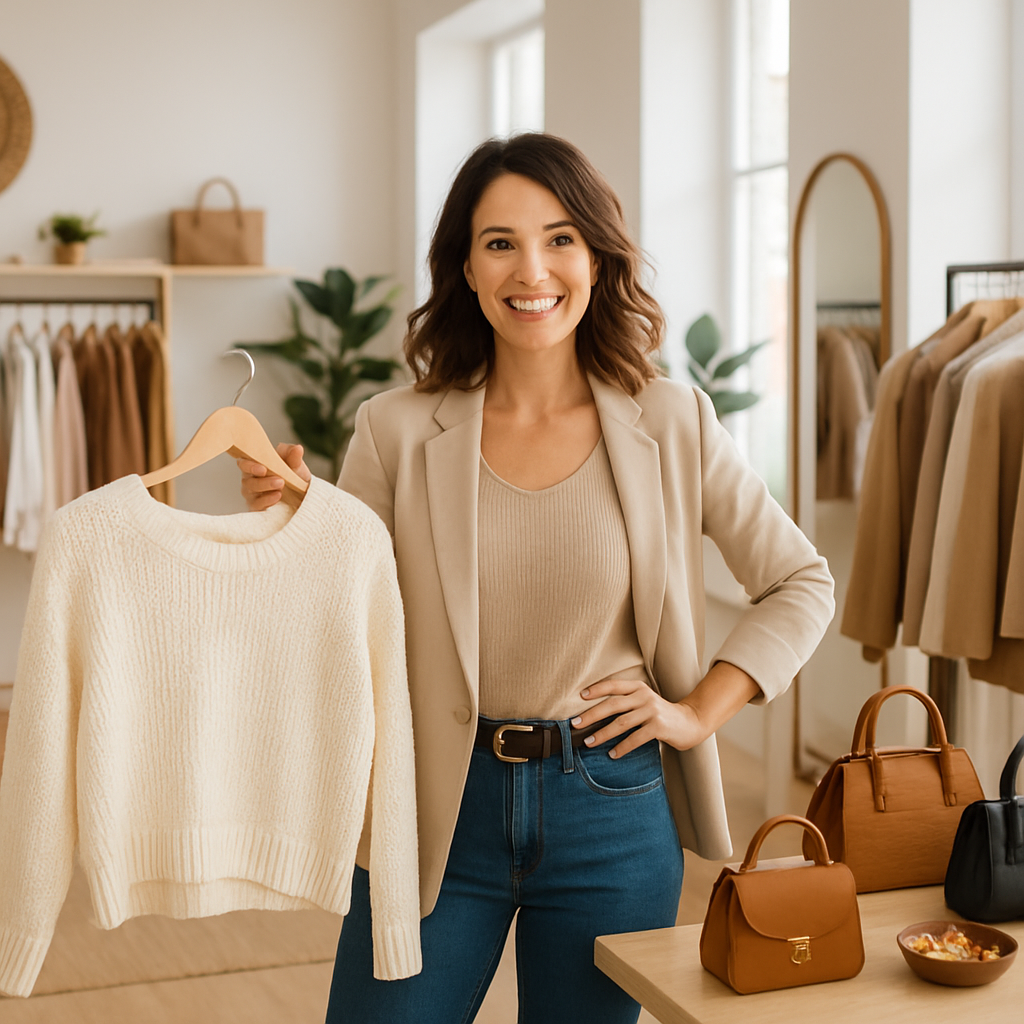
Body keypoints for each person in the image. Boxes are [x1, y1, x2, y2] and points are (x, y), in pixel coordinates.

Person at [239, 132, 834, 1024]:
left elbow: (800, 579)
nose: (533, 270)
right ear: (467, 268)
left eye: (560, 238)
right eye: (501, 242)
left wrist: (699, 709)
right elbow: (334, 609)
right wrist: (286, 521)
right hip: (438, 806)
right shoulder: (394, 429)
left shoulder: (672, 420)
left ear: (596, 257)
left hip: (612, 809)